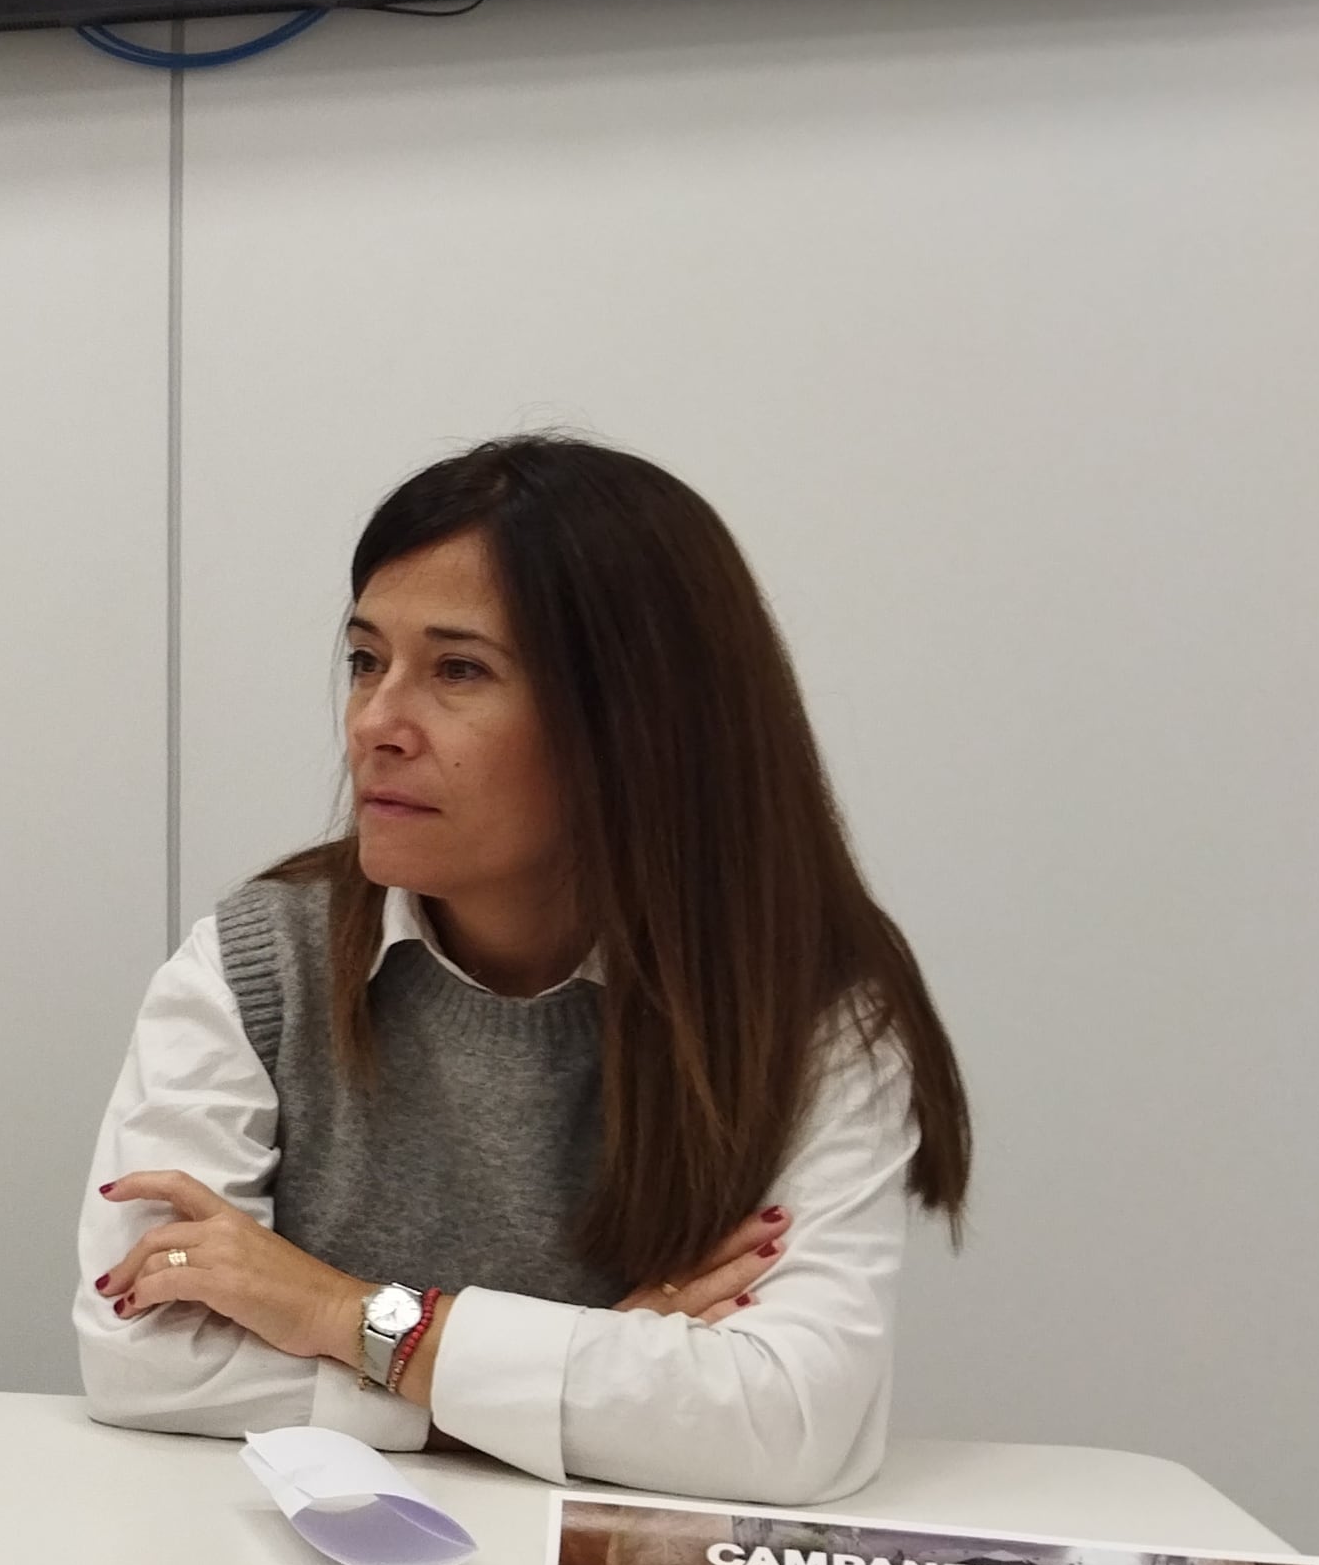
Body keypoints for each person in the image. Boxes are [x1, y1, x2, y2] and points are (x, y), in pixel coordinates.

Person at [75, 437, 970, 1503]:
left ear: (632, 724)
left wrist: (344, 1315)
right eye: (365, 660)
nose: (372, 724)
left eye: (457, 670)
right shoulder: (254, 964)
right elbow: (141, 1357)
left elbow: (789, 1422)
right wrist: (588, 1374)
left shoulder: (808, 1001)